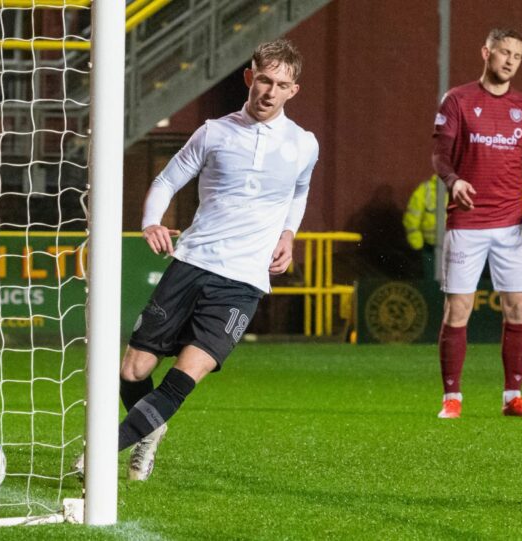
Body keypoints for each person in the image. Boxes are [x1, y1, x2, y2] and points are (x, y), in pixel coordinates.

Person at [75, 39, 317, 481]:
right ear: (250, 76)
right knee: (133, 369)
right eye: (264, 79)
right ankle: (150, 430)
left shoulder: (304, 145)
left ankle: (106, 451)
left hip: (242, 283)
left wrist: (288, 234)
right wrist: (152, 221)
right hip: (192, 263)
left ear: (293, 91)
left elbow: (298, 191)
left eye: (281, 84)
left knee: (187, 373)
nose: (269, 91)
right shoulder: (214, 131)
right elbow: (167, 180)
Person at [431, 28, 522, 419]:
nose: (511, 61)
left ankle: (512, 397)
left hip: (512, 224)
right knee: (458, 310)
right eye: (504, 53)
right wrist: (455, 181)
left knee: (518, 309)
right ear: (486, 52)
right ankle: (452, 398)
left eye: (517, 55)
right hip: (467, 223)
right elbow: (439, 156)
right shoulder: (458, 100)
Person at [403, 174, 445, 278]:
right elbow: (411, 220)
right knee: (432, 283)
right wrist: (418, 245)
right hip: (430, 248)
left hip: (457, 248)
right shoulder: (425, 190)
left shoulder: (460, 189)